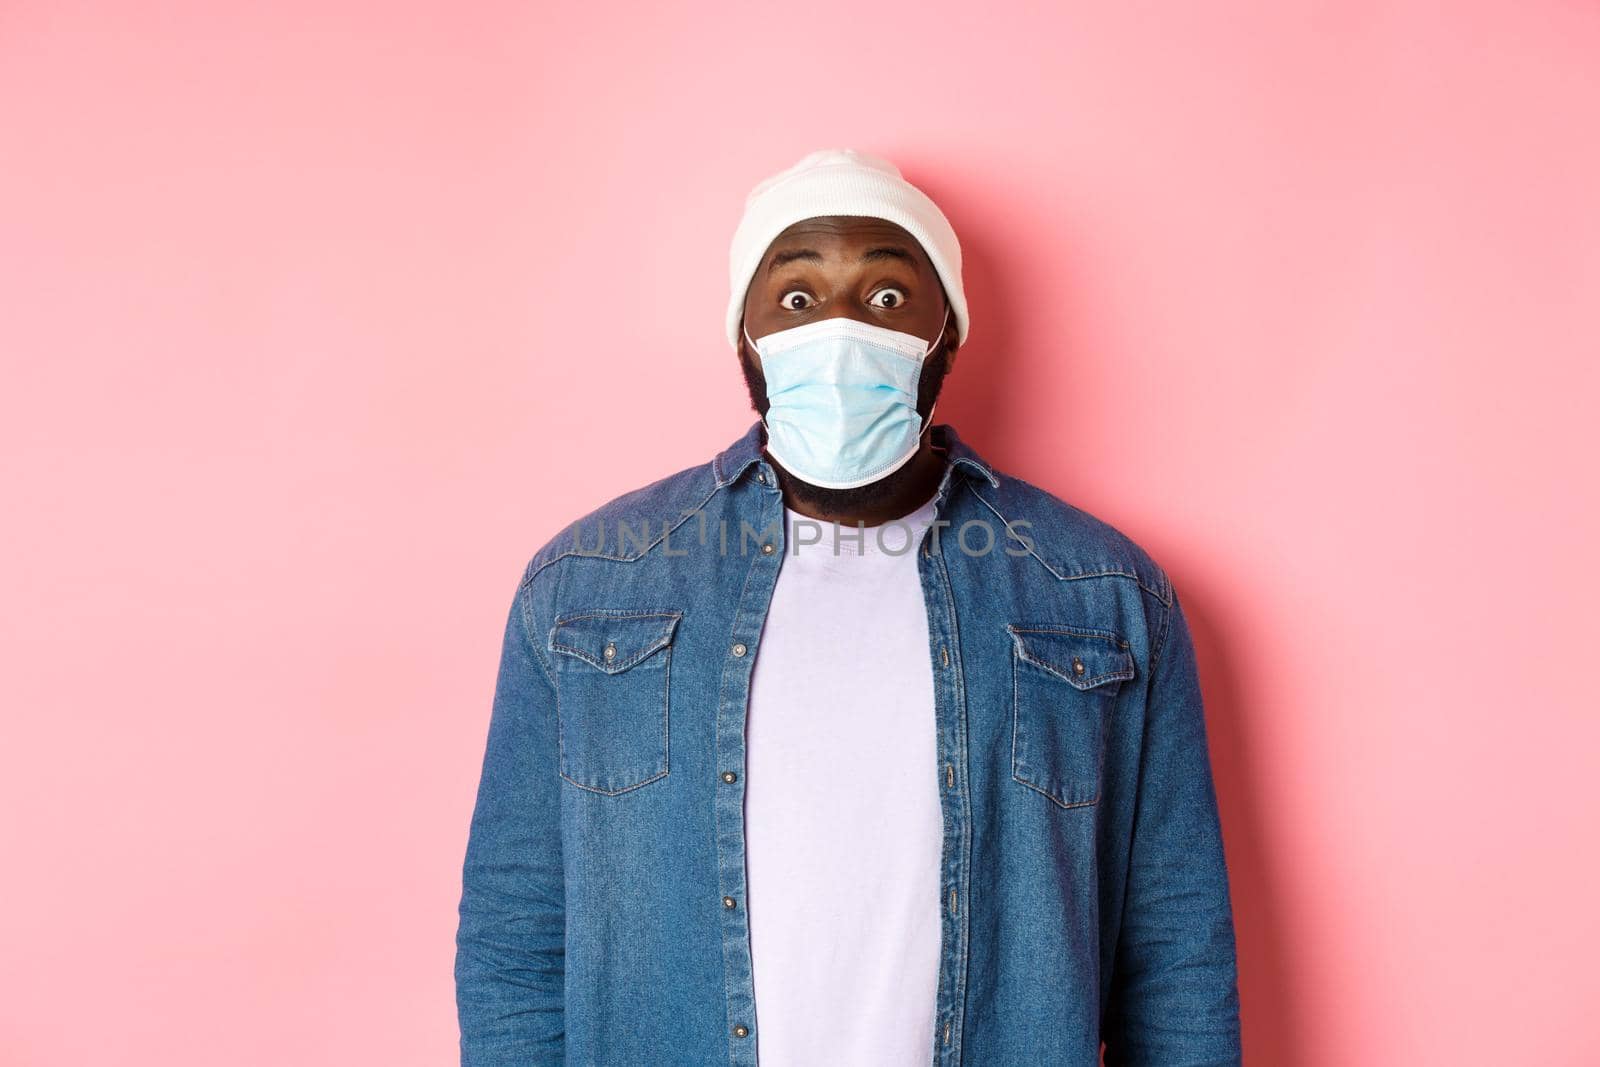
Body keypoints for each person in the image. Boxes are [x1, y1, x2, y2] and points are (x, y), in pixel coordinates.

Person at [454, 148, 1242, 1066]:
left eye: (886, 298)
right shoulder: (590, 584)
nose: (839, 332)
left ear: (945, 334)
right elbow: (516, 937)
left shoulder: (1103, 592)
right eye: (795, 299)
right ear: (743, 335)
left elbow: (1176, 951)